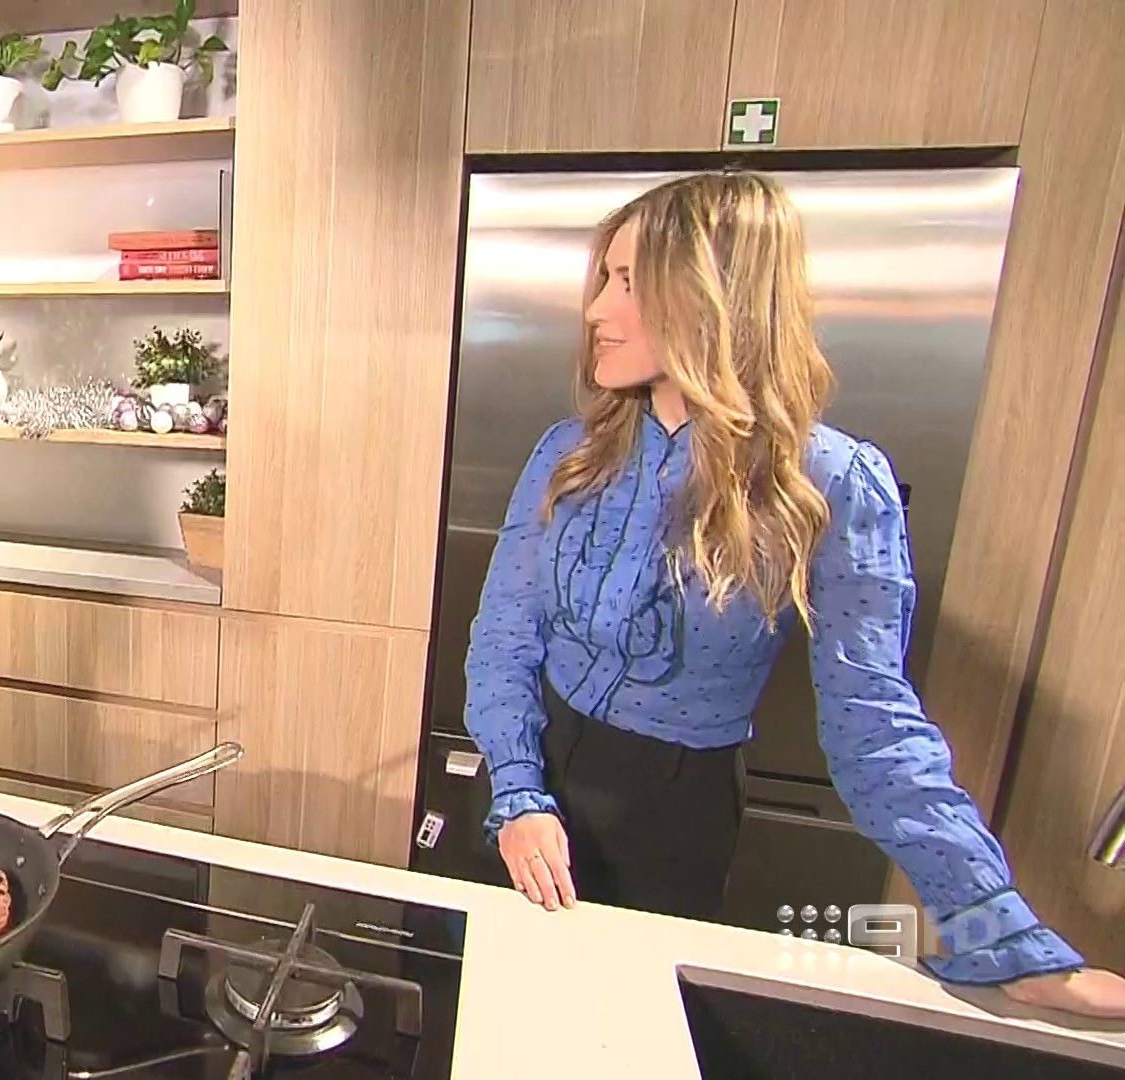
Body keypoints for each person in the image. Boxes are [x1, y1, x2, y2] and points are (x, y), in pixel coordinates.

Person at [462, 171, 1125, 1017]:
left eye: (629, 282)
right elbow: (505, 639)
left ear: (715, 298)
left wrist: (998, 932)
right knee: (490, 1016)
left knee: (620, 1027)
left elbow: (874, 724)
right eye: (605, 278)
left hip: (674, 814)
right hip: (523, 787)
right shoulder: (568, 454)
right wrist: (518, 791)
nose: (596, 309)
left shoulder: (832, 484)